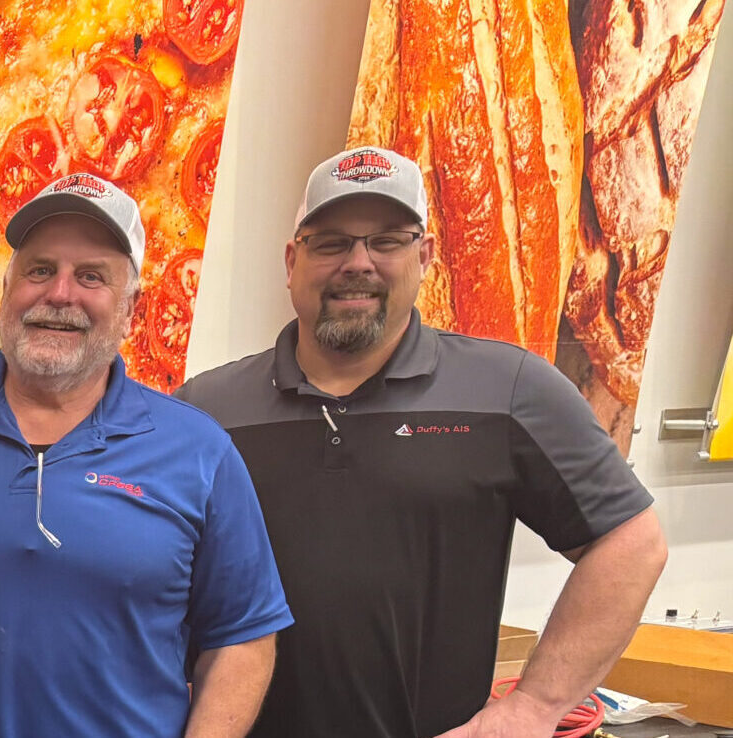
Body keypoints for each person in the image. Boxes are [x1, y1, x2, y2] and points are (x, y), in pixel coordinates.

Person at [176, 146, 668, 738]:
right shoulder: (206, 410)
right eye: (330, 243)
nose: (358, 263)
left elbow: (631, 541)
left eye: (387, 241)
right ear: (291, 261)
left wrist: (534, 706)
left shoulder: (509, 389)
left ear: (425, 256)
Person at [0, 173, 291, 736]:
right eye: (39, 270)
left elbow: (243, 637)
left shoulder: (200, 452)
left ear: (131, 308)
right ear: (5, 289)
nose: (60, 294)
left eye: (91, 276)